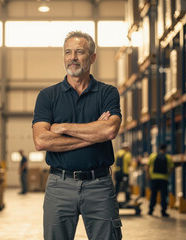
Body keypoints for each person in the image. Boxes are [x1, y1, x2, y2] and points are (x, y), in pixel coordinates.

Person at [32, 31, 122, 240]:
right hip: (59, 184)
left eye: (79, 52)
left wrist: (62, 127)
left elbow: (109, 130)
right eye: (68, 52)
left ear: (92, 58)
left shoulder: (107, 93)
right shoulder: (48, 96)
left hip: (99, 184)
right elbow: (41, 140)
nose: (72, 57)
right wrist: (92, 134)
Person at [147, 143, 174, 217]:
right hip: (164, 179)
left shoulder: (153, 156)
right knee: (163, 196)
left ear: (159, 149)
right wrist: (168, 175)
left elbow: (148, 166)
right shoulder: (168, 157)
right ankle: (163, 212)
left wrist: (148, 175)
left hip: (154, 178)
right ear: (165, 149)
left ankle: (150, 210)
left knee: (153, 195)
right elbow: (171, 168)